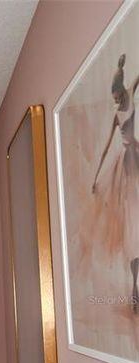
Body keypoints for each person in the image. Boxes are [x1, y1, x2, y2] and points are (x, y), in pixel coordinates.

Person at [91, 53, 139, 314]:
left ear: (122, 92)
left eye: (118, 97)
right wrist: (97, 176)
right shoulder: (116, 115)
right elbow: (106, 146)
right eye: (115, 99)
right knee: (131, 218)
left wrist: (121, 67)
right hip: (125, 163)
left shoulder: (130, 96)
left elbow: (134, 80)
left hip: (136, 154)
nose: (117, 101)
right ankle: (135, 286)